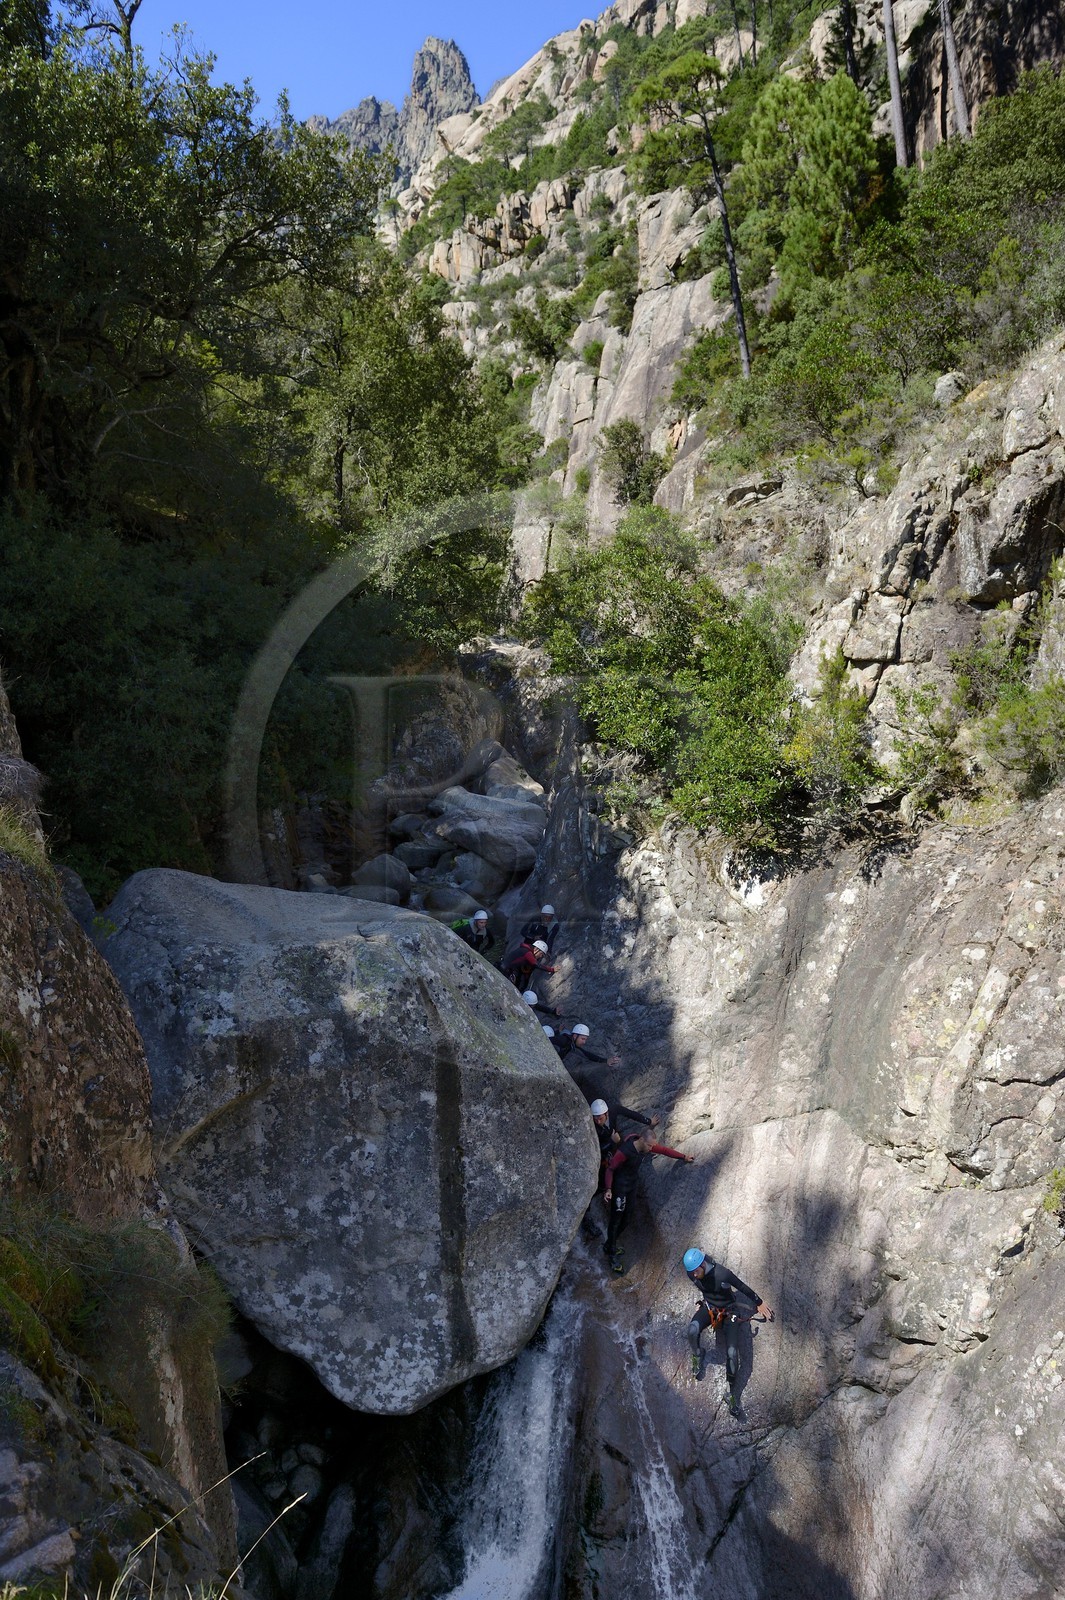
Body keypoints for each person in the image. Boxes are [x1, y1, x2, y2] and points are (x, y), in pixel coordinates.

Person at [682, 1247, 774, 1412]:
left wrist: (759, 1303)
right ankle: (698, 1354)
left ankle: (732, 1395)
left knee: (732, 1354)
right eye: (692, 1272)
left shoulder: (722, 1274)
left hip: (729, 1312)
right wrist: (703, 1303)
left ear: (702, 1265)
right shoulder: (692, 1273)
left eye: (696, 1271)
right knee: (692, 1330)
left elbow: (742, 1286)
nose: (694, 1275)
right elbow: (705, 1288)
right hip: (710, 1308)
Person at [602, 1132, 693, 1273]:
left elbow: (664, 1150)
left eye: (652, 1146)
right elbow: (610, 1169)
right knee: (616, 1220)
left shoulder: (645, 1146)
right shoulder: (625, 1151)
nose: (651, 1149)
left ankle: (609, 1245)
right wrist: (608, 1189)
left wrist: (683, 1156)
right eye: (650, 1146)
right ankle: (612, 1254)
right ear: (642, 1140)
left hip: (631, 1186)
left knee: (627, 1218)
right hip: (619, 1187)